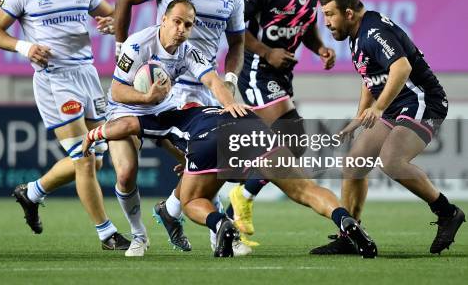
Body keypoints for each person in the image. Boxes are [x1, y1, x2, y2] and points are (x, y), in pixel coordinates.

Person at [0, 0, 130, 250]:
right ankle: (107, 233)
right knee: (85, 159)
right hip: (54, 79)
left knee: (97, 158)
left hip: (88, 76)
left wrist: (112, 23)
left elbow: (116, 14)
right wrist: (24, 48)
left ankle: (32, 192)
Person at [81, 106, 378, 258]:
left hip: (210, 142)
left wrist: (93, 134)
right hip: (255, 129)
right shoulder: (215, 105)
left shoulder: (167, 115)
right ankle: (346, 221)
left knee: (192, 200)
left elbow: (128, 125)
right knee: (305, 189)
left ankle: (220, 224)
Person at [113, 0, 246, 253]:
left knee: (212, 157)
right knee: (199, 157)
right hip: (162, 82)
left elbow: (238, 43)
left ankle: (183, 216)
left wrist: (229, 79)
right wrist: (121, 49)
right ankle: (180, 224)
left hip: (203, 77)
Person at [313, 0, 465, 255]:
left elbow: (401, 67)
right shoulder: (356, 33)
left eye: (329, 15)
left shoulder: (373, 32)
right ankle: (351, 234)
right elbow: (369, 78)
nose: (326, 23)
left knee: (391, 161)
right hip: (397, 106)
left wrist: (379, 108)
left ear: (348, 13)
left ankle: (447, 213)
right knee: (354, 162)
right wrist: (360, 117)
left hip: (423, 102)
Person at [229, 0, 336, 243]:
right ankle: (242, 193)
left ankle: (243, 192)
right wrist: (266, 52)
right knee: (291, 132)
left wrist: (320, 50)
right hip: (256, 71)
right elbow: (235, 29)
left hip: (281, 75)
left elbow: (307, 24)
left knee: (292, 146)